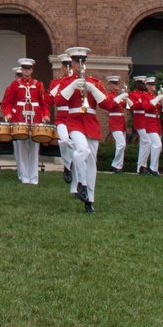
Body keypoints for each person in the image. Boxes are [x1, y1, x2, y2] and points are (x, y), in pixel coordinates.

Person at [60, 48, 105, 213]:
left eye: (83, 61)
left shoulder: (95, 82)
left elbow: (107, 105)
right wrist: (72, 86)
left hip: (91, 123)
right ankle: (81, 184)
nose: (80, 65)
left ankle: (89, 200)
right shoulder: (66, 82)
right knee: (82, 150)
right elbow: (58, 101)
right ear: (72, 63)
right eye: (77, 62)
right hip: (75, 122)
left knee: (92, 163)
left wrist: (93, 89)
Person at [2, 59, 48, 186]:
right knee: (22, 148)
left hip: (35, 119)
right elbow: (7, 102)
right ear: (21, 70)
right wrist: (8, 113)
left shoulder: (38, 85)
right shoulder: (15, 85)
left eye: (29, 68)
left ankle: (34, 177)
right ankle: (24, 175)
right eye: (24, 68)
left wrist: (45, 115)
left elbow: (44, 103)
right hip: (20, 119)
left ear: (32, 70)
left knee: (34, 148)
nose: (27, 71)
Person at [49, 55, 75, 183]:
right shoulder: (56, 83)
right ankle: (68, 166)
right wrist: (58, 87)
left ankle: (73, 165)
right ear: (62, 67)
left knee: (75, 144)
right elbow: (49, 100)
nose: (68, 69)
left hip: (74, 116)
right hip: (62, 117)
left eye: (70, 66)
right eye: (66, 66)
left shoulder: (76, 81)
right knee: (64, 140)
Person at [129, 75, 161, 174]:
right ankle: (143, 166)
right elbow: (135, 106)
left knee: (145, 144)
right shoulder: (135, 94)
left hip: (149, 120)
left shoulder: (150, 95)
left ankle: (141, 167)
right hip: (141, 120)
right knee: (147, 142)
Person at [100, 74, 129, 172]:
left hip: (121, 122)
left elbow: (127, 106)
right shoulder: (110, 96)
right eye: (115, 84)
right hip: (115, 122)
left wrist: (127, 99)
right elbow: (111, 105)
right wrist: (121, 96)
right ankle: (116, 164)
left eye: (117, 84)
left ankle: (119, 166)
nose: (117, 86)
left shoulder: (118, 96)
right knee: (121, 144)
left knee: (122, 145)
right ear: (110, 85)